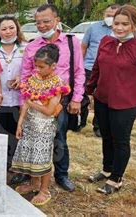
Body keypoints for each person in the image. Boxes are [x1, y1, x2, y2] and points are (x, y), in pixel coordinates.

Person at [86, 5, 136, 195]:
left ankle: (116, 178)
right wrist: (90, 89)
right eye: (116, 23)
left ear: (134, 25)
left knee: (120, 141)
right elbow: (97, 68)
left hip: (125, 104)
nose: (119, 28)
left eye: (125, 24)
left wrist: (132, 87)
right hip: (103, 99)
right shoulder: (106, 42)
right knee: (106, 137)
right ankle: (107, 169)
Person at [21, 4, 85, 192]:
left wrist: (76, 99)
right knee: (34, 140)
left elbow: (79, 72)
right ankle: (34, 177)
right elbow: (25, 77)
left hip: (59, 103)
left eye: (46, 21)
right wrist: (24, 103)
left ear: (57, 20)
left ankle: (62, 175)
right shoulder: (32, 46)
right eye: (38, 22)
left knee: (59, 139)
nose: (41, 25)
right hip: (35, 104)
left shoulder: (71, 43)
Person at [12, 44, 70, 206]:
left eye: (41, 67)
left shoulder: (57, 84)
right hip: (30, 124)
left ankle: (44, 190)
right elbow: (25, 103)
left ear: (53, 66)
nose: (37, 69)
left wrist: (32, 104)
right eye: (35, 66)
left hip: (44, 126)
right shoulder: (33, 79)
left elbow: (50, 110)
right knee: (31, 154)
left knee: (43, 157)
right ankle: (34, 183)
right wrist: (21, 122)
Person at [0, 15, 29, 185]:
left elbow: (35, 70)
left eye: (11, 27)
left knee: (19, 134)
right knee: (1, 133)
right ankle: (3, 167)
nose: (8, 32)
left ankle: (21, 168)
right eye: (4, 29)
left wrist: (22, 77)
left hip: (20, 100)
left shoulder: (26, 48)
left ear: (17, 28)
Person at [80, 4, 120, 137]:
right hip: (89, 68)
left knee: (102, 99)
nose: (110, 18)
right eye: (108, 15)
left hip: (108, 71)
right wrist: (80, 65)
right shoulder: (93, 28)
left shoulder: (120, 31)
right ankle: (80, 122)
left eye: (113, 16)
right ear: (104, 14)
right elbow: (84, 46)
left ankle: (98, 126)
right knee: (83, 97)